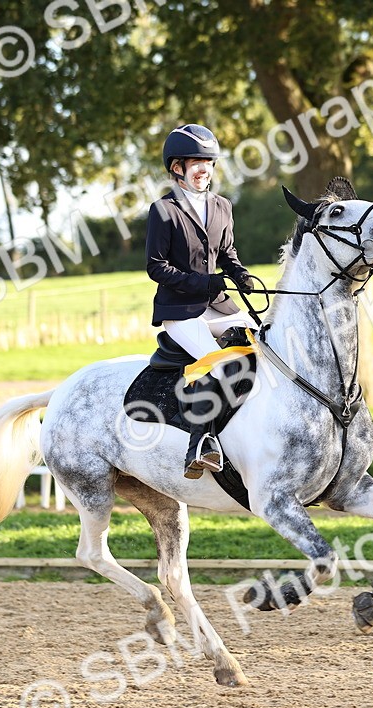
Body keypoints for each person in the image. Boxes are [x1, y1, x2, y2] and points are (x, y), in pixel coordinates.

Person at [146, 124, 258, 478]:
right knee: (220, 363)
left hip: (219, 305)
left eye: (208, 162)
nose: (204, 169)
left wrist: (240, 274)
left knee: (265, 345)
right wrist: (199, 282)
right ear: (177, 167)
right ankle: (200, 443)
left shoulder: (222, 206)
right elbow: (156, 267)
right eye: (196, 161)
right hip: (180, 311)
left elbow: (226, 253)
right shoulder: (163, 210)